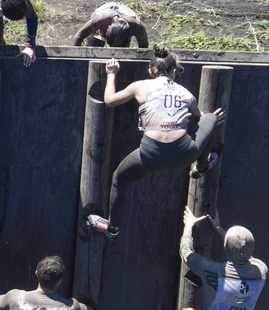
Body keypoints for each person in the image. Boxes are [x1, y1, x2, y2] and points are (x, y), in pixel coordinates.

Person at [86, 45, 225, 240]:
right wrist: (204, 119)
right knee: (210, 118)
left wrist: (111, 74)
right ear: (174, 72)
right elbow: (196, 118)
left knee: (119, 179)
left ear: (151, 71)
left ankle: (113, 228)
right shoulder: (186, 93)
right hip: (184, 154)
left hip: (150, 155)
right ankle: (201, 167)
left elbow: (109, 100)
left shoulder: (141, 86)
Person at [73, 2, 148, 48]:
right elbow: (78, 37)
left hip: (125, 31)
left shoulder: (137, 27)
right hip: (101, 24)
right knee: (94, 47)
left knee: (122, 54)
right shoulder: (100, 20)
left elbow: (144, 48)